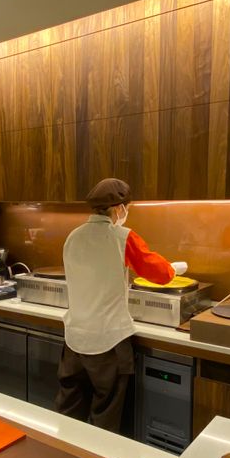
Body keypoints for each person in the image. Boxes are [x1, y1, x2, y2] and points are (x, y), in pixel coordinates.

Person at [57, 178, 188, 432]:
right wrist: (174, 269)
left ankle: (64, 456)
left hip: (73, 342)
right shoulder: (122, 237)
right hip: (108, 344)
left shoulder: (73, 237)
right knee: (105, 418)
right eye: (126, 208)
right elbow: (159, 273)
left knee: (69, 415)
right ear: (119, 208)